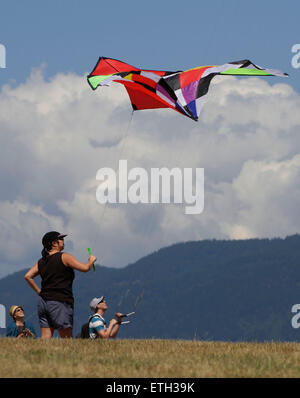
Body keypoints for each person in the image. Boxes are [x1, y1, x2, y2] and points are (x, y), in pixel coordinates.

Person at [24, 231, 97, 339]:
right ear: (54, 243)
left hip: (43, 302)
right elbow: (85, 268)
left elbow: (28, 276)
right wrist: (91, 261)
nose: (63, 241)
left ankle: (42, 356)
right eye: (61, 239)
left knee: (46, 337)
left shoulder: (41, 261)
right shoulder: (64, 256)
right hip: (60, 301)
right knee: (67, 337)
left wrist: (39, 292)